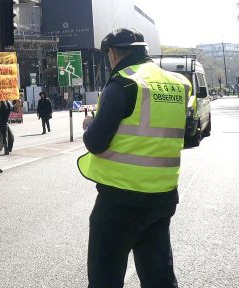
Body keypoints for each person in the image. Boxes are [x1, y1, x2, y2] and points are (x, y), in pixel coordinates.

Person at [78, 28, 191, 288]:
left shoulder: (124, 83)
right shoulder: (178, 84)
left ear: (114, 53)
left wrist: (89, 124)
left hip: (120, 201)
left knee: (105, 279)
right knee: (159, 277)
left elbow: (95, 142)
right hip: (162, 197)